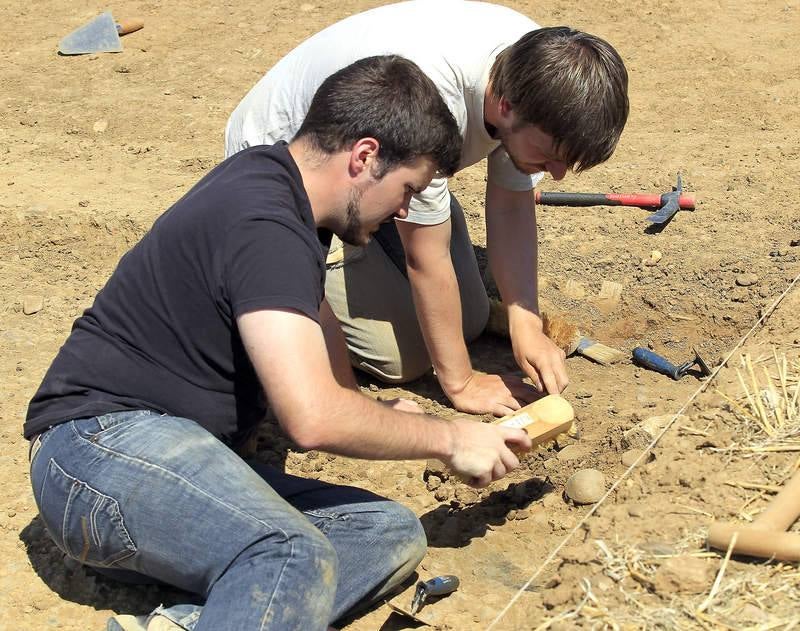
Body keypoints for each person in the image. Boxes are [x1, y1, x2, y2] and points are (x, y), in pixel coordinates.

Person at [24, 56, 534, 631]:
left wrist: (364, 405)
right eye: (407, 188)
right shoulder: (266, 222)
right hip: (100, 458)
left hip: (163, 470)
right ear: (365, 157)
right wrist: (449, 438)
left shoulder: (282, 195)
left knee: (385, 532)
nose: (404, 210)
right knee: (291, 553)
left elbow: (313, 338)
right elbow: (310, 420)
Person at [226, 0, 630, 418]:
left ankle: (382, 247)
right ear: (507, 107)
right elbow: (426, 259)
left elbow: (512, 203)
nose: (558, 174)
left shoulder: (540, 67)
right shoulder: (435, 102)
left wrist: (524, 318)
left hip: (384, 175)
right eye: (549, 157)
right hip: (302, 181)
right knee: (402, 359)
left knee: (469, 319)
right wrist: (461, 382)